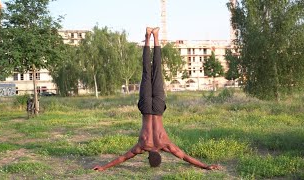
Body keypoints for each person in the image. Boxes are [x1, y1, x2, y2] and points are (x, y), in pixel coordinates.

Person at [93, 27, 219, 171]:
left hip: (158, 108)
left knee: (157, 70)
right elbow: (122, 158)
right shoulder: (142, 145)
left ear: (160, 155)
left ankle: (156, 36)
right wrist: (103, 167)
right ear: (148, 157)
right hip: (146, 108)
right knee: (147, 71)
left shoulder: (165, 144)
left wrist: (205, 165)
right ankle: (148, 36)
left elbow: (184, 156)